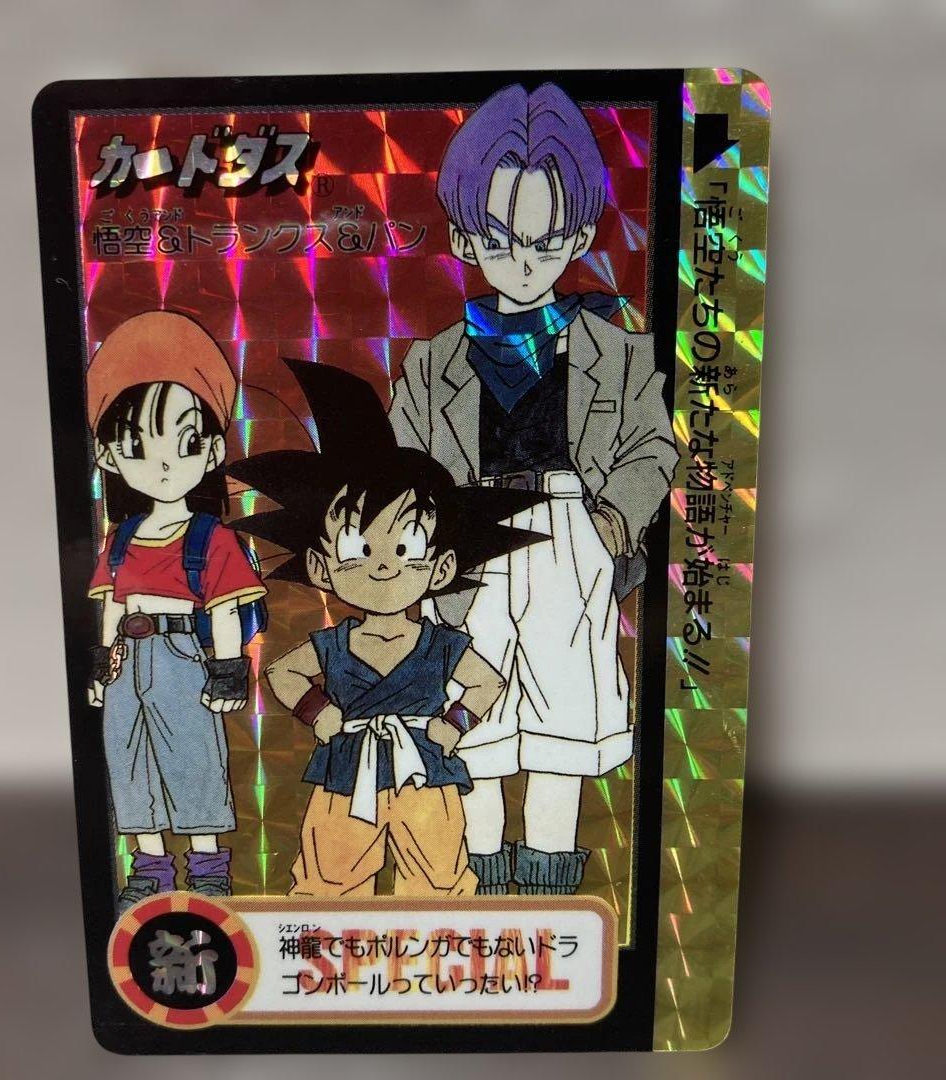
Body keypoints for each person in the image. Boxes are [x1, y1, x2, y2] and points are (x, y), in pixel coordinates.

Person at [389, 83, 678, 895]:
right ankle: (481, 890)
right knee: (470, 729)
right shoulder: (432, 362)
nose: (522, 260)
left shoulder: (617, 352)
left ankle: (549, 897)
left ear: (578, 236)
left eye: (546, 241)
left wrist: (608, 529)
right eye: (498, 238)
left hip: (568, 541)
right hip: (466, 544)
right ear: (465, 238)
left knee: (562, 730)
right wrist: (431, 552)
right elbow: (405, 464)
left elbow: (652, 448)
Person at [229, 359, 548, 896]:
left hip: (425, 773)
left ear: (441, 568)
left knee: (438, 883)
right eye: (356, 546)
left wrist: (454, 724)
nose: (382, 565)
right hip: (345, 771)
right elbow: (282, 674)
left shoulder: (440, 644)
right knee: (329, 882)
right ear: (321, 567)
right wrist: (318, 712)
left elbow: (486, 682)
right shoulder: (334, 643)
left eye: (406, 547)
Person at [85, 311, 266, 908]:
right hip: (127, 659)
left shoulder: (212, 537)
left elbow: (223, 611)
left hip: (183, 653)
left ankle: (208, 864)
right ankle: (150, 865)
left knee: (193, 757)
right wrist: (100, 664)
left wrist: (228, 672)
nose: (162, 463)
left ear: (212, 450)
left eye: (184, 443)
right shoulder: (120, 537)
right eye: (138, 445)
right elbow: (111, 605)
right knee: (129, 758)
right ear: (109, 455)